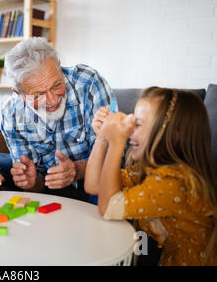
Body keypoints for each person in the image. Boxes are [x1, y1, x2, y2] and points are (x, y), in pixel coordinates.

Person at [85, 87, 217, 266]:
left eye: (137, 124)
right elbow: (93, 185)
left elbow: (108, 207)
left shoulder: (173, 181)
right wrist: (102, 137)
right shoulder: (150, 170)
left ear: (174, 134)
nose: (130, 129)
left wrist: (117, 142)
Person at [0, 37, 116, 202]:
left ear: (59, 67)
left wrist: (78, 170)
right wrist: (31, 182)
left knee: (103, 188)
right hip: (49, 187)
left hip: (93, 180)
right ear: (20, 94)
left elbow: (116, 157)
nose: (53, 101)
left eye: (56, 86)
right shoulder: (11, 113)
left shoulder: (88, 82)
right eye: (39, 95)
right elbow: (37, 188)